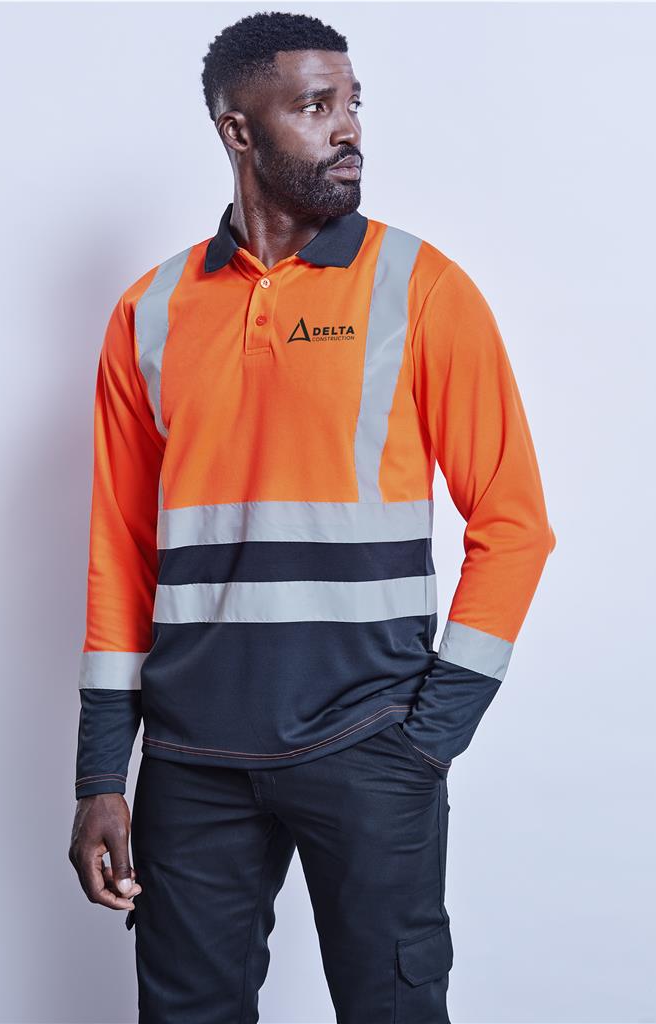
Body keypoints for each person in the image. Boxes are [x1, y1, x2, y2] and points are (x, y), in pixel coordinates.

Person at [67, 11, 556, 1023]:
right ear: (238, 130)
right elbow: (120, 549)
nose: (348, 128)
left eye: (352, 103)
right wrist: (102, 769)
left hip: (371, 742)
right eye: (315, 105)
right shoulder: (149, 311)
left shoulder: (422, 289)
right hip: (192, 759)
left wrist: (429, 739)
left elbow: (513, 523)